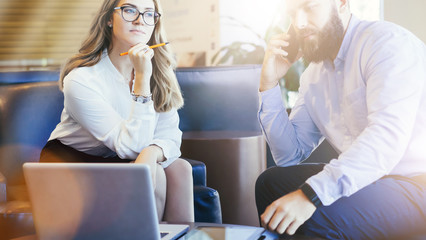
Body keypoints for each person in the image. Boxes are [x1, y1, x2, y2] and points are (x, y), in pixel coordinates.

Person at [255, 0, 426, 239]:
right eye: (293, 14)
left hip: (416, 183)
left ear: (342, 3)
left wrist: (310, 195)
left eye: (310, 7)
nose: (300, 23)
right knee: (271, 183)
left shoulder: (387, 44)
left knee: (316, 214)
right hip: (369, 181)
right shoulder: (313, 76)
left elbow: (385, 141)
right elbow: (288, 156)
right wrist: (269, 84)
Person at [39, 0, 194, 222]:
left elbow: (169, 135)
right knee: (155, 172)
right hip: (72, 163)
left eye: (149, 14)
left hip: (119, 157)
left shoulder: (159, 71)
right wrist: (141, 79)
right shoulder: (82, 79)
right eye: (130, 10)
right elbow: (131, 147)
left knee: (180, 169)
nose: (140, 20)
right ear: (109, 19)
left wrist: (151, 153)